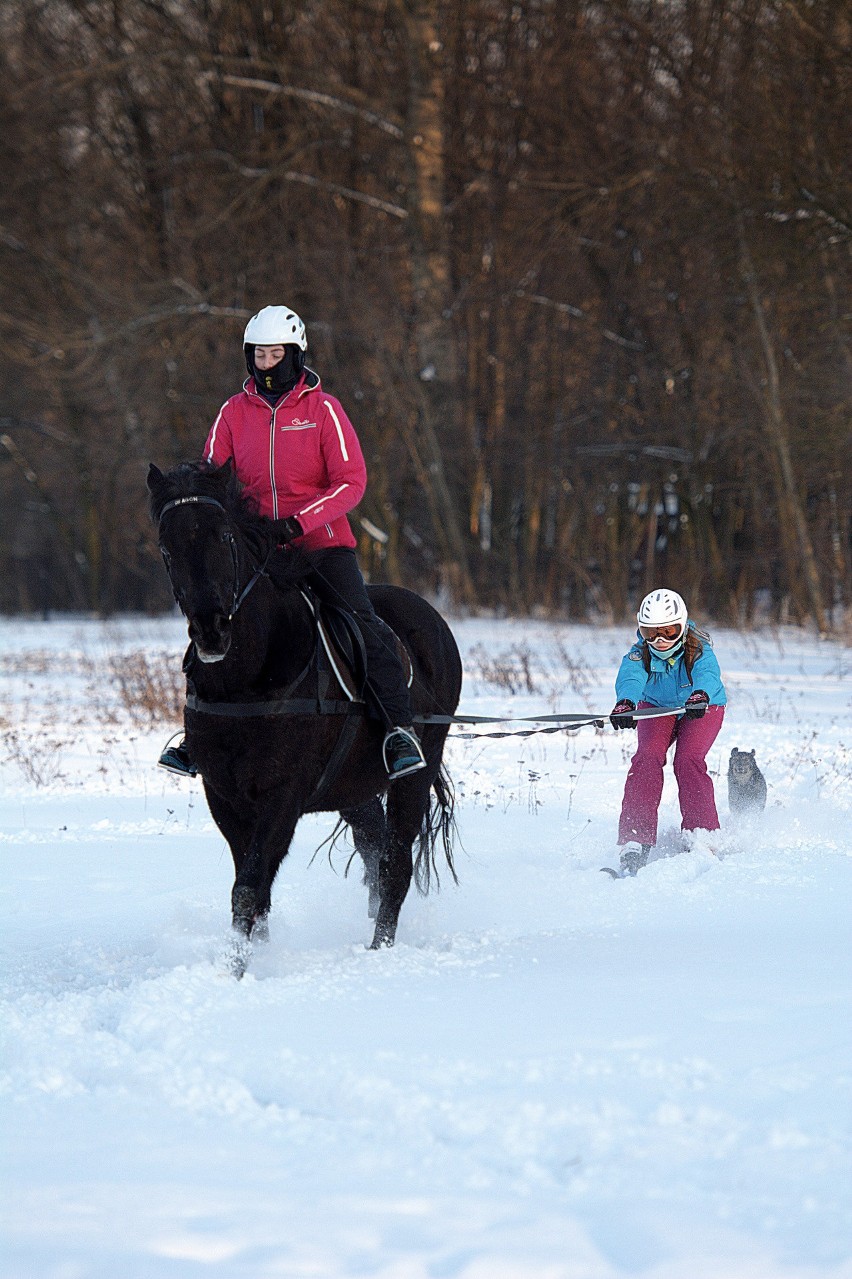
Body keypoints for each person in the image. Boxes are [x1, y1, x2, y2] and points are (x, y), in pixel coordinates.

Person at [159, 304, 426, 781]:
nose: (265, 364)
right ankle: (195, 740)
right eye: (258, 354)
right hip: (257, 550)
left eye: (275, 354)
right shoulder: (232, 412)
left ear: (295, 355)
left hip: (321, 544)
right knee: (212, 617)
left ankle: (397, 732)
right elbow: (211, 476)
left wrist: (299, 523)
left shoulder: (324, 410)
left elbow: (352, 482)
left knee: (360, 621)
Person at [609, 588, 727, 875]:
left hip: (701, 705)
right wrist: (626, 703)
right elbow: (631, 676)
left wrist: (701, 695)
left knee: (687, 760)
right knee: (646, 757)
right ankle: (635, 839)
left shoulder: (697, 648)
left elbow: (708, 675)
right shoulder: (640, 653)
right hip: (657, 706)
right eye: (650, 633)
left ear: (683, 626)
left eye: (669, 631)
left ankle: (703, 835)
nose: (660, 641)